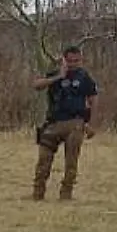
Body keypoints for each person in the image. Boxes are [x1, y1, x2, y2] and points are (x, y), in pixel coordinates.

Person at [31, 44, 99, 201]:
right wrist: (58, 77)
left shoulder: (84, 77)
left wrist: (92, 124)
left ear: (81, 60)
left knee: (71, 162)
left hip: (75, 123)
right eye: (70, 61)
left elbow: (93, 100)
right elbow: (36, 85)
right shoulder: (54, 73)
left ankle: (66, 194)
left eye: (76, 61)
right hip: (53, 123)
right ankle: (37, 194)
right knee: (43, 160)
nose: (73, 64)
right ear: (64, 60)